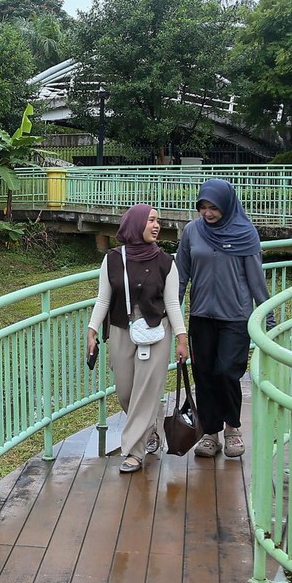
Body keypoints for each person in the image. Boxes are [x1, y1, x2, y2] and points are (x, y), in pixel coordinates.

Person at [175, 178, 274, 458]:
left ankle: (232, 428)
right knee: (204, 374)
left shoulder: (246, 233)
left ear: (227, 206)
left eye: (214, 208)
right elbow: (181, 276)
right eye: (203, 207)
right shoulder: (193, 232)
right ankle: (210, 433)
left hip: (235, 317)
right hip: (201, 316)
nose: (208, 213)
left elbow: (257, 281)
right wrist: (171, 314)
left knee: (227, 371)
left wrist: (269, 320)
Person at [87, 203, 189, 473]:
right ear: (135, 224)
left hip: (157, 332)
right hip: (122, 329)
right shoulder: (112, 259)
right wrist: (92, 330)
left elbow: (173, 304)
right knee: (125, 392)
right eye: (151, 221)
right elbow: (103, 298)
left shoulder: (166, 262)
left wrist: (181, 337)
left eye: (158, 221)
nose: (156, 226)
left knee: (144, 392)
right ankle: (151, 427)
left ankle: (133, 451)